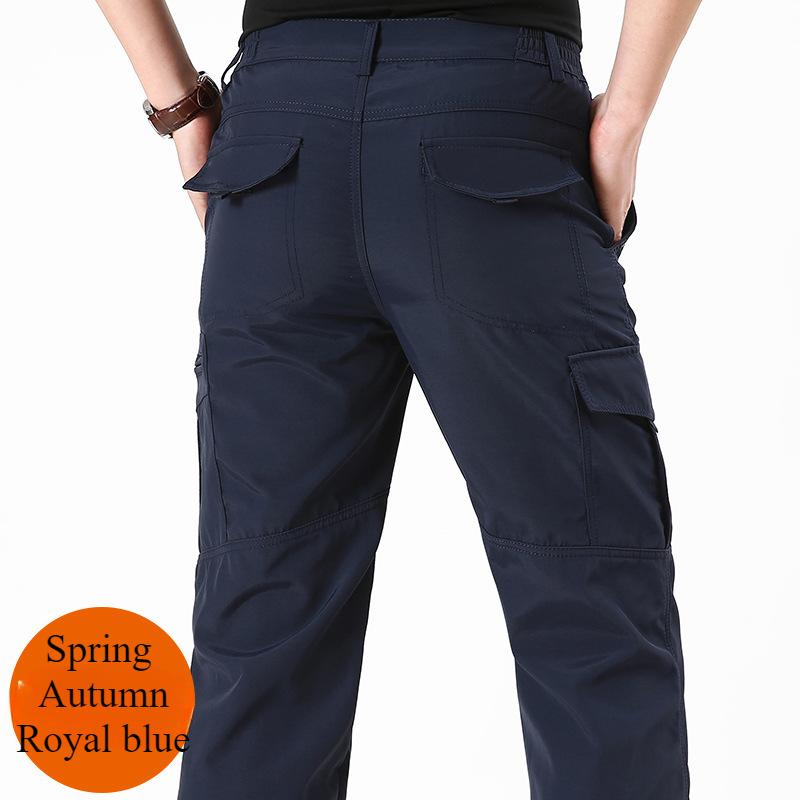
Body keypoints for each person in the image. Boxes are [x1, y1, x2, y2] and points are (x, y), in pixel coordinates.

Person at [96, 2, 701, 798]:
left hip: (280, 147)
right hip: (494, 123)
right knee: (589, 608)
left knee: (263, 623)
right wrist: (622, 121)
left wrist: (180, 109)